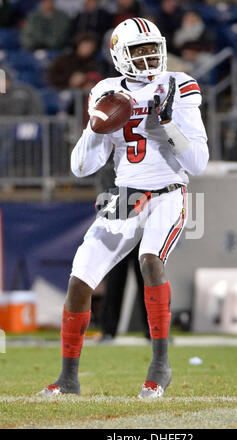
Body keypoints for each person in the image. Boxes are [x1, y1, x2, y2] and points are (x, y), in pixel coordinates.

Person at [39, 17, 209, 399]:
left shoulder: (179, 85)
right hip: (126, 195)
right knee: (80, 279)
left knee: (151, 260)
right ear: (119, 55)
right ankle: (68, 379)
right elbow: (82, 167)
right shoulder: (106, 89)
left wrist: (167, 123)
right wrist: (95, 124)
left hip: (169, 191)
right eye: (139, 51)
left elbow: (198, 162)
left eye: (153, 49)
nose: (149, 58)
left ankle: (160, 366)